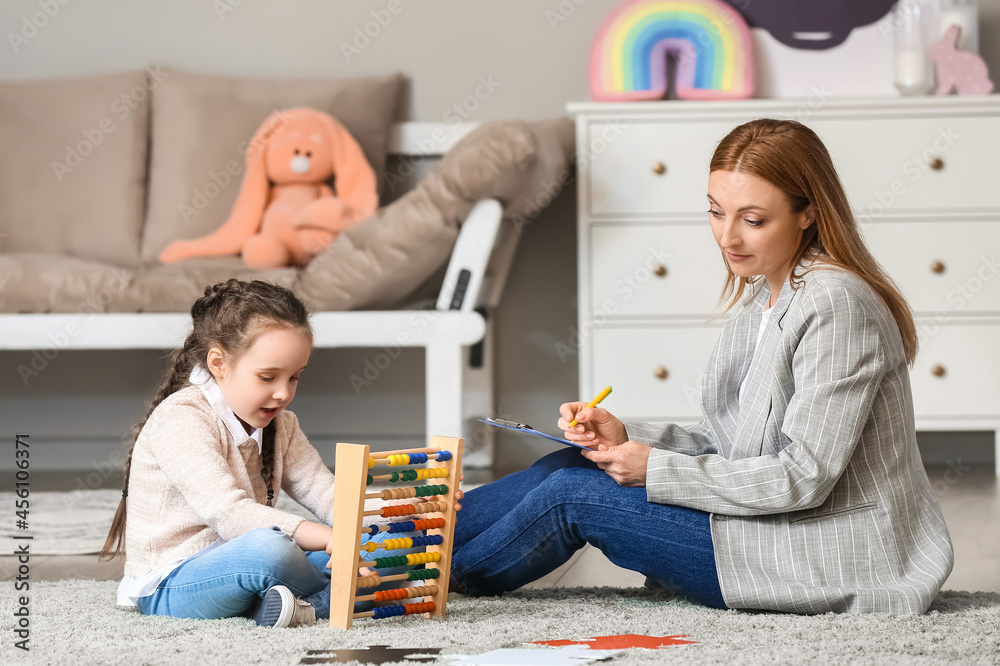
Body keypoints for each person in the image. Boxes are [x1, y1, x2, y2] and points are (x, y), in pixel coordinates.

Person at [450, 118, 954, 615]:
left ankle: (431, 581)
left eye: (753, 220)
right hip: (766, 525)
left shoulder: (836, 306)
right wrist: (626, 436)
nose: (727, 237)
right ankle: (398, 543)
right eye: (716, 212)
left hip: (825, 554)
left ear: (808, 214)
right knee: (572, 462)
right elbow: (729, 442)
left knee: (571, 497)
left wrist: (653, 469)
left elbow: (803, 476)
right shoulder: (765, 297)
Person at [99, 278, 463, 627]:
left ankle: (296, 607)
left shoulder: (282, 425)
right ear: (218, 364)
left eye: (294, 377)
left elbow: (323, 491)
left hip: (255, 570)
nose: (283, 393)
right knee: (271, 549)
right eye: (268, 377)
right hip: (175, 583)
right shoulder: (182, 419)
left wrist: (412, 512)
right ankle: (340, 594)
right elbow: (229, 514)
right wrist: (330, 539)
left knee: (390, 544)